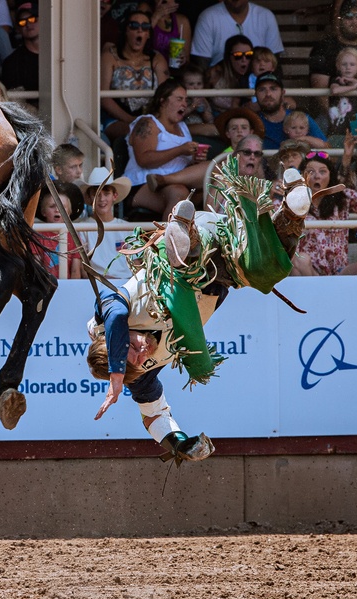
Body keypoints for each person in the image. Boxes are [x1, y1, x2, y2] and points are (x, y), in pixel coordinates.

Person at [88, 160, 315, 463]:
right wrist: (182, 445)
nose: (141, 351)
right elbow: (154, 416)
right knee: (266, 271)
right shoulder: (139, 377)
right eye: (139, 361)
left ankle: (186, 237)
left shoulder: (113, 313)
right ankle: (292, 211)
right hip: (222, 277)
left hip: (193, 253)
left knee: (185, 266)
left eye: (129, 345)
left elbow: (114, 316)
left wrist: (117, 370)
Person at [125, 79, 212, 220]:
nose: (184, 103)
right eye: (179, 99)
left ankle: (165, 180)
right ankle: (169, 241)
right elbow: (144, 160)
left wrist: (194, 160)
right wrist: (180, 150)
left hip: (177, 184)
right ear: (163, 100)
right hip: (142, 184)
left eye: (185, 99)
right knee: (179, 193)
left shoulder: (183, 128)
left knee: (211, 168)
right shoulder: (148, 122)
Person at [293, 146, 357, 275]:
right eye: (310, 172)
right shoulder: (292, 201)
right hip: (309, 272)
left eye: (322, 171)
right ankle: (313, 294)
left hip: (338, 272)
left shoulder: (342, 197)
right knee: (300, 260)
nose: (316, 176)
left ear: (330, 175)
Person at [99, 10, 170, 142]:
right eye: (134, 26)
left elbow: (165, 96)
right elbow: (104, 98)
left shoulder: (157, 59)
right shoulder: (110, 57)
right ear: (125, 30)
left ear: (148, 34)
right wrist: (132, 120)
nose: (139, 31)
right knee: (140, 133)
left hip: (150, 118)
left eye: (145, 27)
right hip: (116, 118)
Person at [309, 0, 357, 116]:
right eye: (349, 16)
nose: (354, 21)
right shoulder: (324, 46)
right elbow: (320, 93)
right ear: (340, 19)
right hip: (334, 115)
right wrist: (338, 119)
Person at [76, 166, 134, 281]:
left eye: (106, 193)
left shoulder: (127, 227)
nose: (102, 199)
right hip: (97, 285)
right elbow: (82, 268)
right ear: (89, 197)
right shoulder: (82, 228)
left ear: (114, 196)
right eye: (96, 194)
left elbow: (137, 262)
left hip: (128, 283)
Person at [190, 0, 283, 69]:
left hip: (258, 83)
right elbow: (201, 65)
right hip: (221, 84)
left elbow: (274, 61)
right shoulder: (208, 17)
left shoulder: (265, 16)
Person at [255, 73, 327, 150]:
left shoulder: (300, 118)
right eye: (262, 89)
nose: (268, 94)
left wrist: (305, 139)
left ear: (283, 93)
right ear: (255, 94)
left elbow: (330, 153)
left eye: (273, 89)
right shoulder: (252, 122)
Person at [36, 182, 82, 280]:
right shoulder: (37, 236)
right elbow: (36, 268)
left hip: (68, 288)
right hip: (46, 286)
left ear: (69, 212)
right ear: (43, 212)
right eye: (52, 206)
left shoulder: (74, 236)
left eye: (62, 207)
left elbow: (75, 271)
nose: (57, 210)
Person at [206, 134, 264, 210]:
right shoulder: (222, 184)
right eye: (247, 152)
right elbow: (207, 217)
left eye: (257, 154)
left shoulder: (262, 188)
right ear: (236, 156)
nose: (252, 157)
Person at [205, 34, 253, 116]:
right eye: (238, 55)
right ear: (228, 57)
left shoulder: (256, 75)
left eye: (249, 54)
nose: (244, 60)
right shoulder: (215, 73)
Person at [0, 1, 39, 92]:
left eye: (32, 19)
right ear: (18, 29)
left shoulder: (56, 54)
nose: (28, 24)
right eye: (22, 22)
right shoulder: (11, 62)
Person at [142, 0, 191, 71]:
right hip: (149, 69)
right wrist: (156, 16)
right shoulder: (144, 9)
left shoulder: (181, 21)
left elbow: (187, 61)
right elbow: (138, 37)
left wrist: (183, 58)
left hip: (173, 72)